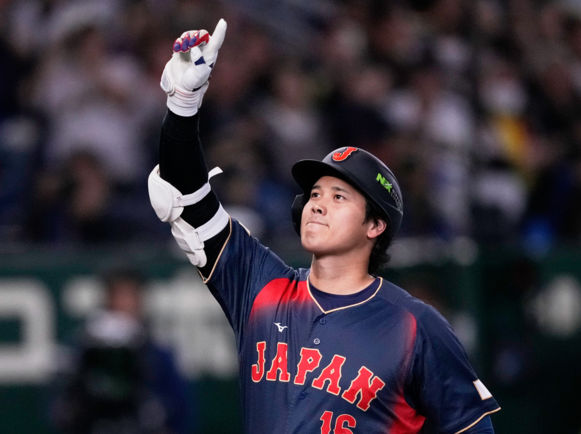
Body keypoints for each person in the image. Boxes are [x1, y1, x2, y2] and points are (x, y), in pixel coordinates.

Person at [148, 19, 500, 433]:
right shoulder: (262, 286)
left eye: (339, 197)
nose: (317, 203)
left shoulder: (415, 325)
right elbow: (186, 196)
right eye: (315, 193)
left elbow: (472, 429)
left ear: (375, 225)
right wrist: (183, 104)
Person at [50, 266, 192, 434]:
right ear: (107, 299)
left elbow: (181, 411)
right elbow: (60, 410)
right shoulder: (84, 349)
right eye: (119, 296)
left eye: (131, 296)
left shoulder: (157, 354)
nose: (126, 304)